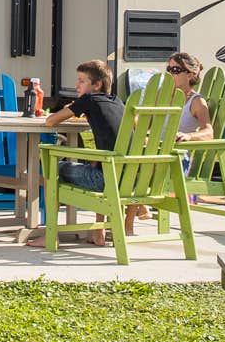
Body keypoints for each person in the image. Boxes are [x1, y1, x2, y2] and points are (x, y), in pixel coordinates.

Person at [40, 58, 148, 246]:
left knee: (52, 168)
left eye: (82, 81)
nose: (76, 85)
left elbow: (51, 121)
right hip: (129, 180)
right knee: (99, 162)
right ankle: (99, 232)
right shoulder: (117, 101)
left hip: (105, 180)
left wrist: (70, 108)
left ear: (97, 84)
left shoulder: (88, 99)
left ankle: (51, 234)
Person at [164, 52, 212, 143]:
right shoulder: (162, 96)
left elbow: (209, 133)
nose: (170, 74)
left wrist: (188, 136)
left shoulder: (196, 102)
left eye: (175, 70)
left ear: (189, 75)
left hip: (178, 154)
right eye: (169, 69)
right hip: (153, 151)